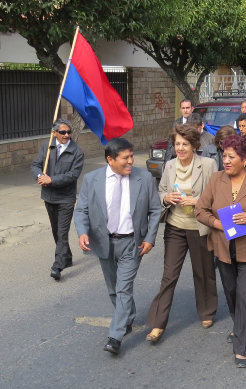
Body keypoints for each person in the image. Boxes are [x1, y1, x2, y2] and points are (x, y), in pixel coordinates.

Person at [74, 138, 162, 355]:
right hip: (104, 242)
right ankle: (127, 317)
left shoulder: (144, 178)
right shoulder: (92, 179)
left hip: (132, 243)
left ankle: (115, 336)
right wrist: (82, 232)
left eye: (132, 156)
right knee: (113, 288)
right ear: (110, 160)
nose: (131, 161)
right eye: (126, 158)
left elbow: (155, 210)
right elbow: (81, 210)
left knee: (123, 288)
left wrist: (150, 238)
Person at [196, 135, 246, 368]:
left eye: (231, 157)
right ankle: (238, 324)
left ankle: (242, 347)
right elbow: (200, 210)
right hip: (223, 248)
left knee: (245, 296)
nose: (226, 161)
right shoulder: (216, 179)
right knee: (231, 293)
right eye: (224, 156)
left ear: (245, 159)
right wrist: (217, 223)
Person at [145, 124, 218, 343]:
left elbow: (216, 195)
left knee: (203, 272)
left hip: (199, 227)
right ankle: (158, 323)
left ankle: (207, 311)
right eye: (177, 144)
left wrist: (197, 201)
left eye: (185, 144)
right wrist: (167, 198)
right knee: (169, 275)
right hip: (175, 226)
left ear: (194, 145)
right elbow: (161, 190)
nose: (180, 148)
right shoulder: (169, 165)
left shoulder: (208, 164)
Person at [31, 119, 84, 281]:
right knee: (56, 231)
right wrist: (40, 176)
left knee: (62, 233)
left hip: (66, 198)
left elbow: (73, 175)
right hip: (49, 197)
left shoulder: (77, 152)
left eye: (69, 132)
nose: (67, 135)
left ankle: (57, 265)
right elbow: (35, 165)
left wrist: (51, 180)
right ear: (54, 133)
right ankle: (66, 256)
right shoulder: (47, 147)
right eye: (63, 132)